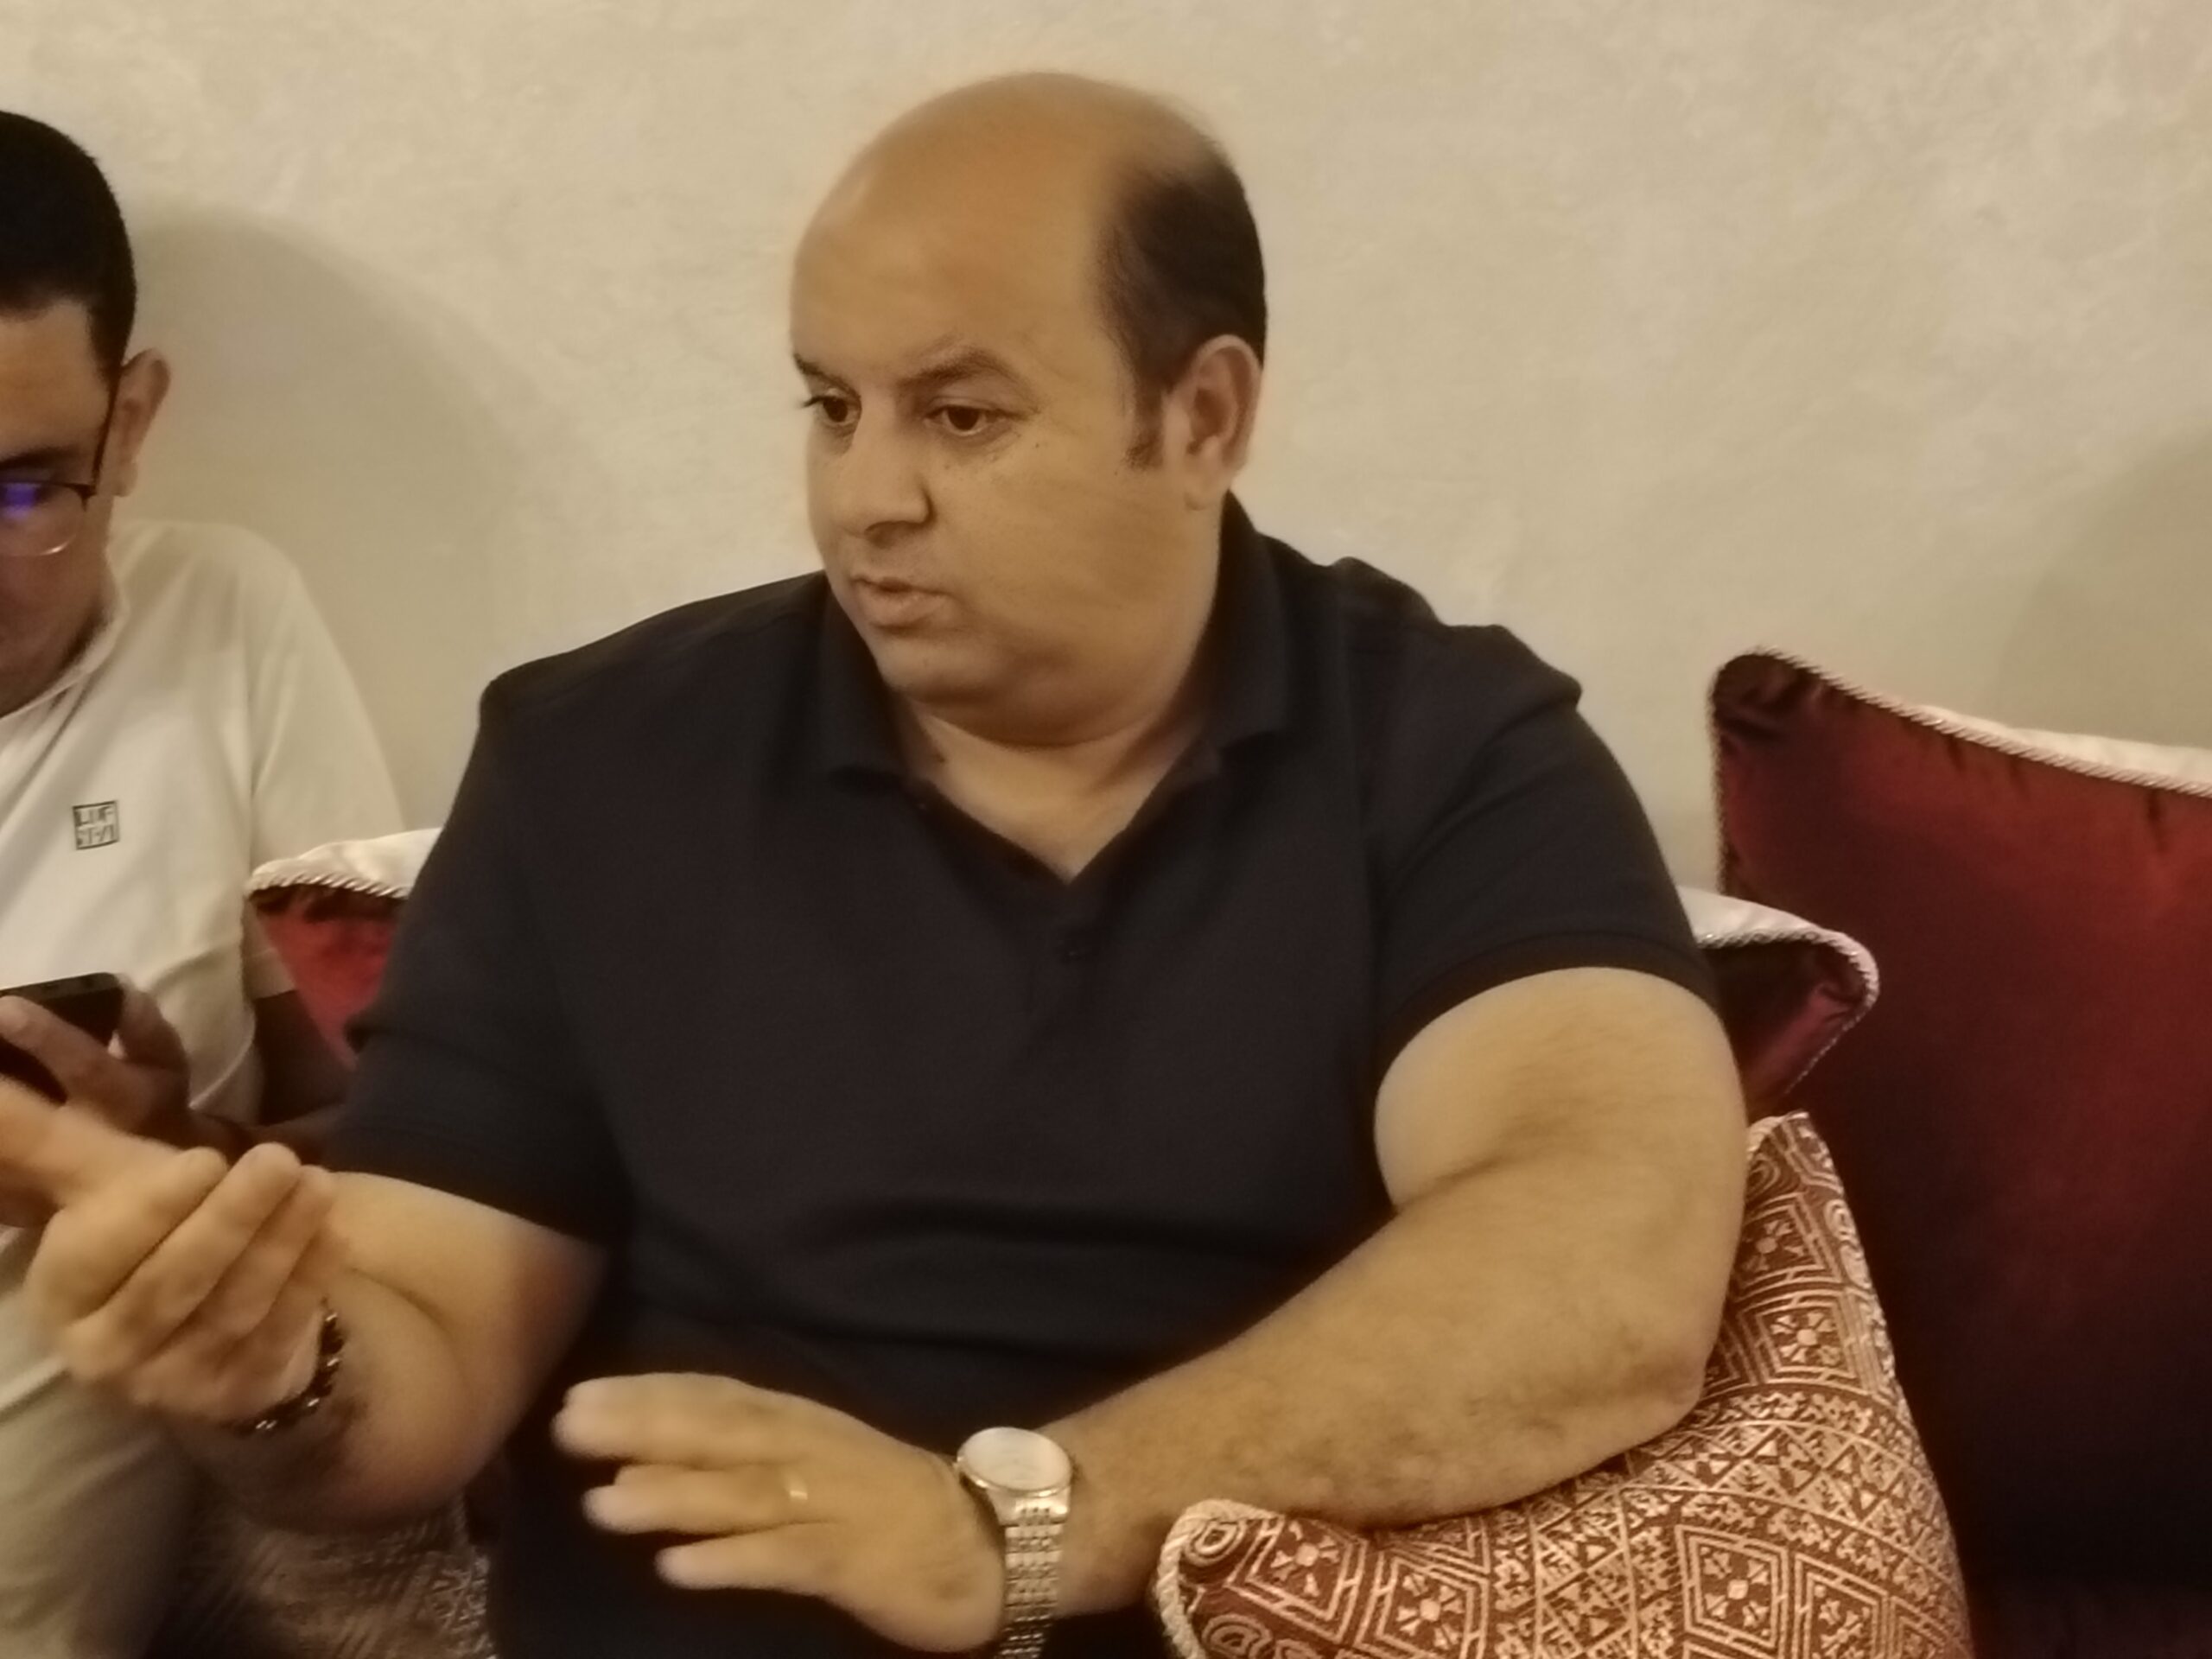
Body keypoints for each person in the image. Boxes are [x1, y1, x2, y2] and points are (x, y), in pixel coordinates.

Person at [0, 75, 1745, 1658]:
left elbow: (1606, 1253)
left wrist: (1018, 1524)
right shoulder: (600, 764)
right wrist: (275, 1369)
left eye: (960, 417)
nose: (863, 497)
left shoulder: (1444, 753)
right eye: (832, 406)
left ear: (1202, 415)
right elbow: (420, 1355)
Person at [0, 113, 401, 1656]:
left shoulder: (226, 627)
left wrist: (178, 1157)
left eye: (27, 490)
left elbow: (410, 1120)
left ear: (132, 420)